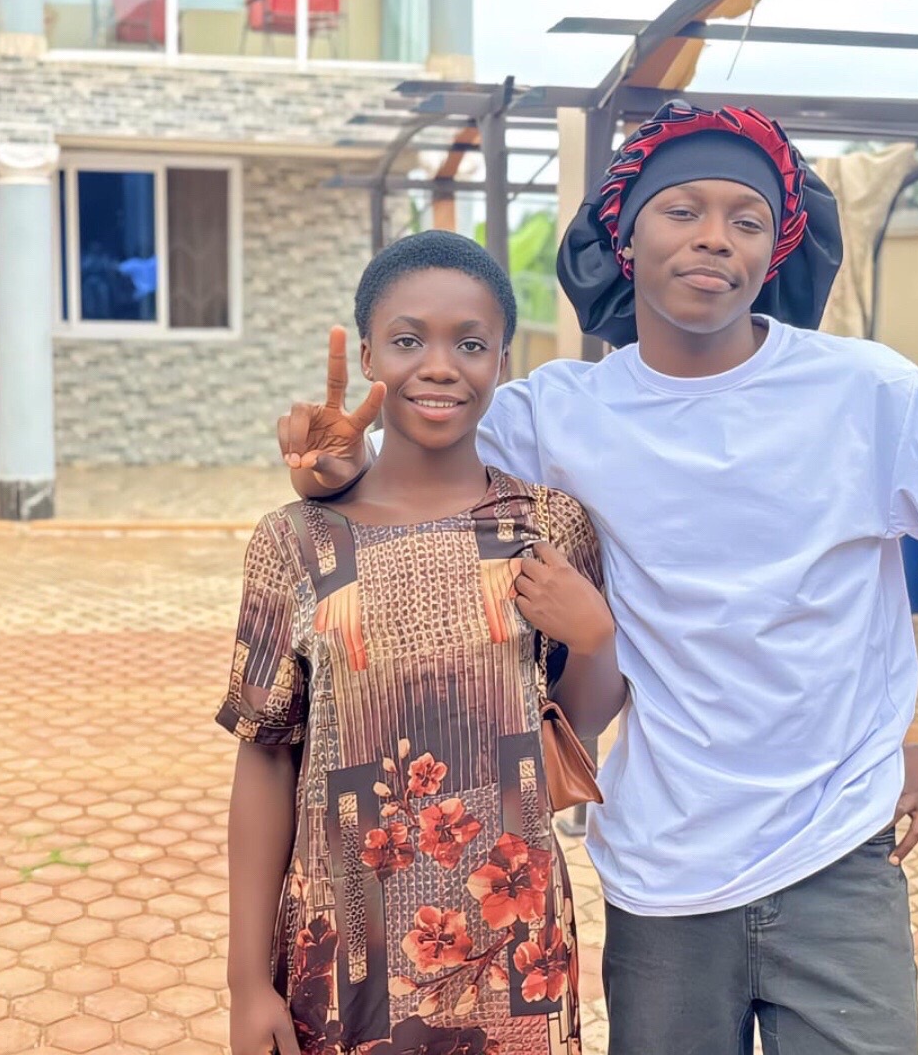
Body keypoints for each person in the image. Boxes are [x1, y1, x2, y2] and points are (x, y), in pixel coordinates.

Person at [278, 103, 918, 1055]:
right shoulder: (559, 414)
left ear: (777, 248)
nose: (715, 237)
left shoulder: (865, 394)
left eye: (748, 218)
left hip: (838, 857)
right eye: (683, 210)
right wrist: (335, 473)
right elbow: (415, 474)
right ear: (624, 234)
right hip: (662, 870)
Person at [219, 231, 623, 1055]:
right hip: (342, 951)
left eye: (469, 345)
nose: (440, 367)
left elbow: (572, 732)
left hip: (514, 951)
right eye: (409, 341)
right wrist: (244, 981)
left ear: (501, 362)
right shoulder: (296, 542)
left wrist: (595, 640)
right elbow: (265, 757)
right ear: (369, 355)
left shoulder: (547, 525)